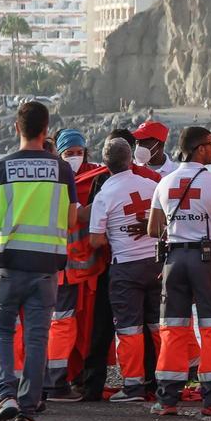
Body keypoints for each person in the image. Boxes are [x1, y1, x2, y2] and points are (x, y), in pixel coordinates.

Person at [0, 102, 77, 421]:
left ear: (15, 128)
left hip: (8, 262)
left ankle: (5, 395)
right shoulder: (63, 169)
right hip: (46, 266)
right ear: (46, 129)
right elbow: (72, 219)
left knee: (2, 331)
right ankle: (26, 413)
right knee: (37, 338)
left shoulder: (0, 167)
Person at [147, 126, 211, 417]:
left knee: (173, 329)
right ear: (200, 148)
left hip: (174, 260)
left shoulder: (164, 183)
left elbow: (153, 230)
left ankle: (167, 399)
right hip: (205, 258)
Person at [76, 128, 163, 401]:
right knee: (157, 326)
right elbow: (165, 225)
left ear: (105, 163)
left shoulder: (105, 193)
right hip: (156, 264)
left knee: (128, 327)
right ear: (130, 159)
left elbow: (96, 241)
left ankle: (134, 386)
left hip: (125, 266)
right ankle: (168, 380)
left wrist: (118, 233)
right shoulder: (153, 186)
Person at [44, 128, 104, 403]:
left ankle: (68, 376)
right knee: (62, 323)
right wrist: (101, 203)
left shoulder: (95, 177)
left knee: (78, 325)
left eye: (79, 153)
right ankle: (56, 381)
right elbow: (78, 215)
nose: (75, 158)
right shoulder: (59, 180)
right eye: (70, 154)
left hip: (84, 270)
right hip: (65, 269)